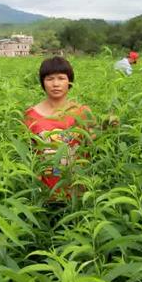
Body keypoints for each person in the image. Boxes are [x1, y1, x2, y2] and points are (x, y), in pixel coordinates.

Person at [24, 56, 93, 199]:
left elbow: (94, 147)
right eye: (50, 79)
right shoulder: (31, 115)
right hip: (44, 193)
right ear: (43, 82)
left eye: (61, 78)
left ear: (69, 81)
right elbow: (27, 154)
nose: (56, 84)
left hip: (78, 192)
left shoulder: (82, 112)